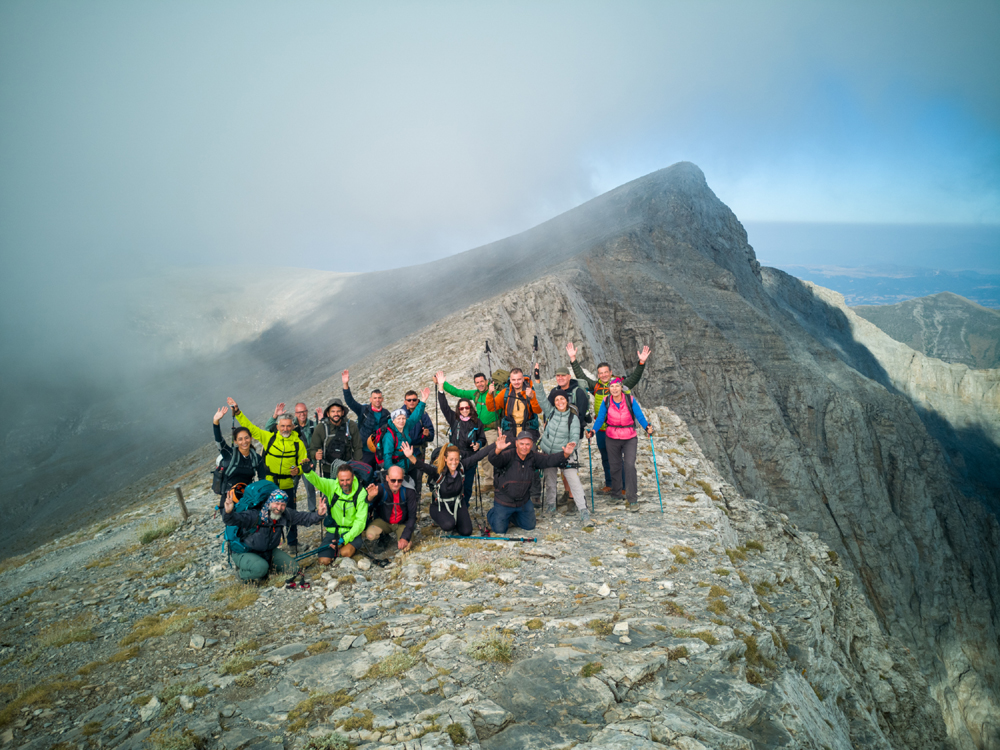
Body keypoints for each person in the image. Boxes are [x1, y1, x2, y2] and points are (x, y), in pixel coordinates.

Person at [566, 342, 650, 494]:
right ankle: (610, 484)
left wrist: (641, 363)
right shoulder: (595, 386)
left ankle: (624, 486)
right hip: (601, 429)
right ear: (598, 375)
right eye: (601, 373)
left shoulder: (620, 385)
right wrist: (573, 359)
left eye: (606, 372)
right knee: (606, 457)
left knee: (619, 459)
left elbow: (635, 378)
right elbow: (581, 376)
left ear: (611, 372)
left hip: (617, 429)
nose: (604, 375)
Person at [227, 397, 308, 553]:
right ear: (277, 426)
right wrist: (237, 412)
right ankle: (270, 545)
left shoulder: (298, 443)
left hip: (287, 485)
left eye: (288, 426)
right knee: (267, 515)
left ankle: (293, 544)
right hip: (269, 486)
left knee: (290, 515)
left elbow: (304, 463)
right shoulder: (268, 437)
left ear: (293, 426)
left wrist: (298, 470)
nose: (285, 429)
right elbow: (250, 427)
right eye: (282, 426)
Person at [222, 487, 326, 582]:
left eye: (282, 505)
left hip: (268, 551)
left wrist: (318, 514)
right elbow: (233, 520)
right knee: (260, 569)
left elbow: (303, 518)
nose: (279, 508)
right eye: (276, 504)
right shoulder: (254, 515)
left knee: (293, 568)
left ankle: (264, 566)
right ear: (269, 503)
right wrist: (228, 512)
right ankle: (241, 574)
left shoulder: (285, 514)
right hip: (245, 551)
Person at [487, 432, 577, 534]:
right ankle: (493, 513)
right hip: (504, 501)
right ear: (516, 443)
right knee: (500, 530)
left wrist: (565, 454)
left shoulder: (533, 457)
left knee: (529, 526)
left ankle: (511, 516)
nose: (524, 447)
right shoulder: (508, 455)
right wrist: (498, 449)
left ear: (531, 445)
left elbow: (549, 460)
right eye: (522, 444)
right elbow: (494, 460)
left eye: (527, 444)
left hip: (523, 502)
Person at [588, 377, 653, 512]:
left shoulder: (629, 399)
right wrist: (593, 431)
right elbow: (600, 418)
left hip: (629, 437)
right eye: (612, 387)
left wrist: (647, 427)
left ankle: (632, 499)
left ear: (621, 387)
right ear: (609, 389)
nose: (615, 389)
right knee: (615, 465)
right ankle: (616, 494)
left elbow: (639, 415)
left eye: (617, 386)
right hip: (611, 436)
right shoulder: (606, 401)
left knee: (629, 465)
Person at [404, 440, 492, 537]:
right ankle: (440, 517)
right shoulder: (437, 472)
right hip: (440, 505)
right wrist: (410, 456)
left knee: (466, 531)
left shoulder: (462, 466)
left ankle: (454, 519)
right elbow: (422, 466)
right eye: (451, 459)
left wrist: (496, 444)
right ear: (445, 459)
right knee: (449, 525)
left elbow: (478, 456)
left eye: (456, 459)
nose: (454, 462)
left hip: (458, 503)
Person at [533, 364, 591, 506]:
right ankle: (565, 494)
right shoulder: (555, 392)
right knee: (556, 471)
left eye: (563, 376)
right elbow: (543, 401)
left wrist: (571, 435)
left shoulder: (579, 392)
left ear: (569, 377)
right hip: (552, 439)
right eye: (558, 376)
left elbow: (580, 415)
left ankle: (572, 498)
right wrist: (537, 380)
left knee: (568, 467)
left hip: (571, 436)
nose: (560, 378)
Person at [537, 388, 590, 525]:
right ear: (554, 402)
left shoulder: (573, 418)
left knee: (574, 480)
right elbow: (541, 397)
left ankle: (584, 511)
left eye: (562, 399)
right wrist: (537, 381)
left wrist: (570, 447)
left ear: (567, 400)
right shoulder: (551, 412)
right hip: (549, 453)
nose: (560, 402)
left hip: (566, 454)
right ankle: (551, 506)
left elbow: (574, 436)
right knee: (550, 480)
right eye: (557, 400)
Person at [302, 462, 371, 562]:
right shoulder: (332, 486)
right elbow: (317, 481)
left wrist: (344, 539)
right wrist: (308, 472)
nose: (345, 483)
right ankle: (334, 551)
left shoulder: (361, 493)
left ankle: (338, 551)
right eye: (341, 480)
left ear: (353, 477)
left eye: (348, 479)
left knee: (345, 553)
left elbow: (360, 522)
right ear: (337, 478)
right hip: (333, 532)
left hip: (351, 532)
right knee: (323, 561)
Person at [434, 371, 484, 503]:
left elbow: (482, 438)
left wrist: (479, 444)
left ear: (471, 408)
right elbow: (444, 406)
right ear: (458, 409)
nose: (465, 410)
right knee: (454, 485)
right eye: (461, 408)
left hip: (471, 458)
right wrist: (441, 386)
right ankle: (453, 508)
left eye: (467, 407)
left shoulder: (477, 422)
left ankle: (464, 508)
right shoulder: (454, 420)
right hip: (454, 459)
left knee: (467, 487)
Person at [442, 371, 499, 486]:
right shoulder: (475, 394)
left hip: (491, 430)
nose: (480, 384)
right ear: (475, 384)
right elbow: (458, 392)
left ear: (486, 382)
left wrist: (493, 394)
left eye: (482, 381)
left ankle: (496, 481)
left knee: (493, 455)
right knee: (483, 457)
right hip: (478, 431)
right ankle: (489, 482)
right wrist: (442, 384)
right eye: (477, 382)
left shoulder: (495, 393)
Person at [266, 402, 318, 512]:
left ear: (307, 412)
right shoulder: (289, 425)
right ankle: (290, 510)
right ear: (295, 413)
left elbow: (318, 441)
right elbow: (268, 429)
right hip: (292, 463)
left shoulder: (313, 425)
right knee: (291, 487)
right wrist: (275, 416)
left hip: (307, 462)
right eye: (299, 412)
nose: (302, 414)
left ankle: (312, 510)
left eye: (304, 411)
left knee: (310, 487)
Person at [362, 464, 419, 552]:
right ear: (387, 478)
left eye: (399, 480)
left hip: (402, 523)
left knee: (406, 547)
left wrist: (404, 537)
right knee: (370, 535)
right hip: (384, 521)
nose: (396, 484)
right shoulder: (380, 488)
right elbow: (368, 504)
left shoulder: (409, 491)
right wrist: (370, 497)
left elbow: (412, 517)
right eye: (393, 480)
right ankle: (383, 538)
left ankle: (404, 537)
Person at [377, 388, 430, 483]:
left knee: (415, 488)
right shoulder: (389, 436)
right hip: (398, 469)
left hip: (409, 464)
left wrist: (423, 401)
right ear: (393, 420)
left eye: (403, 418)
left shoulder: (405, 426)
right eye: (398, 419)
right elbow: (387, 457)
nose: (401, 421)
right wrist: (393, 474)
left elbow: (415, 416)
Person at [212, 406, 265, 496]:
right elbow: (219, 440)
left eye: (246, 438)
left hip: (247, 498)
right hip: (228, 499)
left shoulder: (257, 458)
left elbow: (262, 480)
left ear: (251, 438)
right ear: (235, 441)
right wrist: (215, 422)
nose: (244, 442)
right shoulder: (229, 454)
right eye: (240, 439)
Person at [342, 369, 390, 469]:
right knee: (365, 475)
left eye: (379, 398)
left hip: (380, 451)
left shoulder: (386, 414)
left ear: (382, 399)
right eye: (375, 398)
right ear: (370, 399)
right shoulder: (363, 410)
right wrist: (345, 384)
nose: (377, 400)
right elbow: (350, 402)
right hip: (364, 451)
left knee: (379, 477)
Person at [309, 398, 362, 478]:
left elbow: (358, 447)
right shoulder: (321, 428)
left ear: (343, 412)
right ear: (328, 413)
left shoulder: (351, 425)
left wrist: (358, 467)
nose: (336, 414)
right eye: (333, 411)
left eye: (338, 411)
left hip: (348, 468)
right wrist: (315, 455)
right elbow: (313, 448)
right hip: (328, 469)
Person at [401, 390, 435, 497]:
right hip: (403, 452)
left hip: (418, 451)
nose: (411, 402)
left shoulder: (423, 415)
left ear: (418, 401)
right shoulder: (400, 415)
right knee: (403, 476)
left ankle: (416, 498)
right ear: (405, 401)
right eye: (409, 400)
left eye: (414, 400)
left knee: (418, 477)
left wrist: (428, 434)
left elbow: (431, 435)